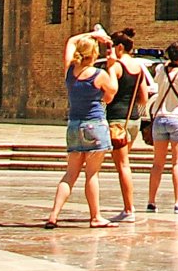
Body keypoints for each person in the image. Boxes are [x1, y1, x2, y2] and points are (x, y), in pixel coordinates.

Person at [45, 34, 116, 228]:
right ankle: (95, 217)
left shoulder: (69, 71)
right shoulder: (99, 75)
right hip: (94, 125)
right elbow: (110, 96)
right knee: (92, 174)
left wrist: (92, 35)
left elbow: (69, 41)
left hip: (74, 125)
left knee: (70, 174)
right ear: (94, 54)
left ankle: (53, 215)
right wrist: (111, 66)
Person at [100, 29, 150, 224]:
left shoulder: (117, 67)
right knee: (124, 163)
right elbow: (144, 98)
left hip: (116, 120)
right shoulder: (139, 68)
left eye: (112, 47)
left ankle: (129, 209)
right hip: (133, 121)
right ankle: (127, 207)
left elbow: (109, 94)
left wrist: (110, 68)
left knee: (122, 166)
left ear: (119, 47)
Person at [144, 40, 178, 216]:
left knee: (157, 164)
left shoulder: (161, 70)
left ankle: (151, 201)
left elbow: (159, 77)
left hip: (160, 119)